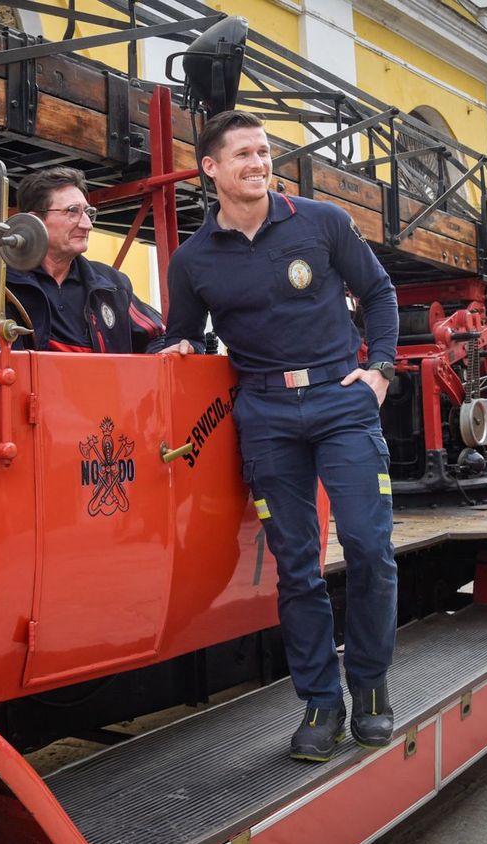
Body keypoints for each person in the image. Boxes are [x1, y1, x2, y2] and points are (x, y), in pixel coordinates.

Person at [161, 110, 400, 759]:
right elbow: (181, 331)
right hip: (265, 416)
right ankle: (321, 704)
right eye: (242, 154)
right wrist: (178, 344)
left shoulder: (321, 221)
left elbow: (378, 293)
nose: (258, 163)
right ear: (210, 167)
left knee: (369, 546)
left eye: (263, 152)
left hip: (340, 398)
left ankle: (372, 690)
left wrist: (378, 371)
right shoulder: (193, 259)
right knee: (296, 568)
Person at [0, 167, 166, 353]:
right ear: (34, 221)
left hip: (101, 417)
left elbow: (158, 337)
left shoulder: (112, 285)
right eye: (73, 212)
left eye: (88, 213)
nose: (87, 224)